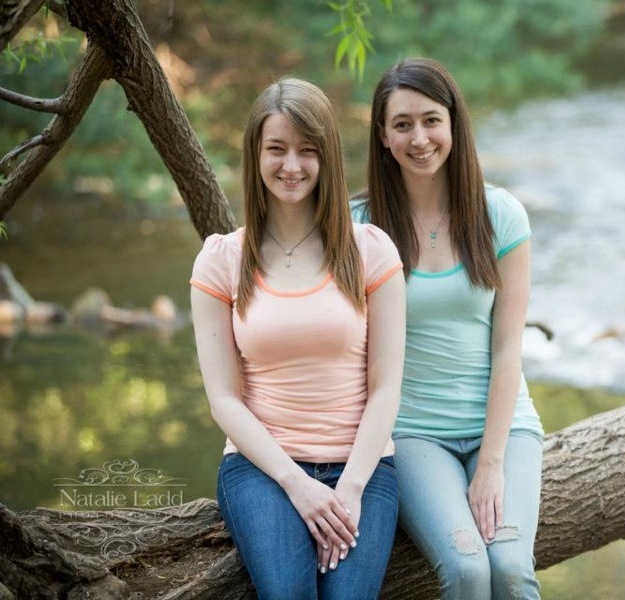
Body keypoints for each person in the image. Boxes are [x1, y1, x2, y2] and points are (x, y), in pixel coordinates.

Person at [190, 77, 406, 600]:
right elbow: (224, 399)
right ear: (255, 154)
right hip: (261, 470)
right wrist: (298, 485)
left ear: (327, 157)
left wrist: (349, 489)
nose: (292, 165)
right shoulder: (222, 260)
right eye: (277, 149)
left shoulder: (371, 251)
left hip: (364, 467)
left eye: (307, 151)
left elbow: (386, 387)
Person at [352, 57, 544, 600]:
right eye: (403, 124)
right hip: (413, 433)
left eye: (432, 120)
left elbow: (508, 351)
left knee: (508, 566)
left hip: (504, 428)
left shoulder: (501, 215)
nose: (420, 138)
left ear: (454, 124)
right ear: (384, 136)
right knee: (466, 568)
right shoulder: (359, 229)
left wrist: (491, 463)